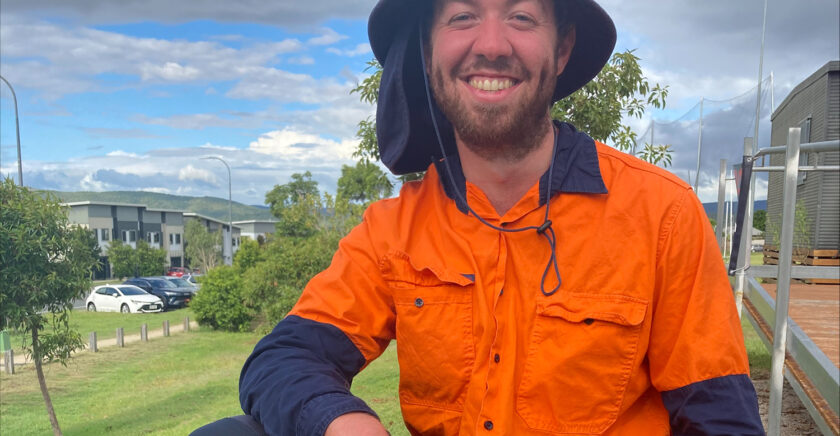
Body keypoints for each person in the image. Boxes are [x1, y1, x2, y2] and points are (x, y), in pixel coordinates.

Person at [193, 0, 764, 434]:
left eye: (520, 16)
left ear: (562, 49)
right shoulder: (393, 230)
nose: (491, 44)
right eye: (463, 16)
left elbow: (721, 418)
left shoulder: (661, 213)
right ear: (426, 51)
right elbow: (285, 358)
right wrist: (345, 423)